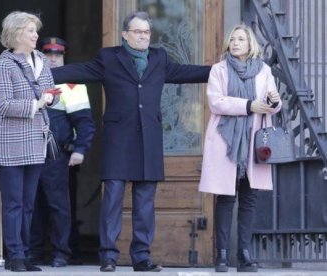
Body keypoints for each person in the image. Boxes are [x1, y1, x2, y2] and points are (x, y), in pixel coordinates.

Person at [51, 11, 211, 272]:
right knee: (113, 198)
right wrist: (39, 72)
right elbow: (79, 71)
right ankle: (109, 257)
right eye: (138, 32)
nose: (143, 36)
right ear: (125, 34)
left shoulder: (159, 58)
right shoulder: (109, 57)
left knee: (145, 201)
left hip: (149, 139)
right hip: (118, 140)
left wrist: (220, 70)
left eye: (147, 32)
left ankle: (141, 257)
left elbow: (186, 72)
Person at [198, 24, 282, 273]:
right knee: (225, 198)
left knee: (249, 199)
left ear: (250, 44)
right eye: (232, 39)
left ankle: (244, 254)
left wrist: (272, 103)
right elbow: (216, 101)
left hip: (254, 141)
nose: (235, 43)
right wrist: (248, 105)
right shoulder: (219, 69)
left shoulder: (264, 70)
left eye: (241, 39)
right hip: (227, 141)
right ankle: (222, 254)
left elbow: (273, 101)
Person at [0, 11, 59, 272]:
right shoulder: (3, 64)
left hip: (36, 139)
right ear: (17, 33)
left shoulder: (41, 59)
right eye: (31, 30)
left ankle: (25, 253)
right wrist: (38, 102)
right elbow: (4, 104)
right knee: (13, 203)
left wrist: (52, 98)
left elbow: (51, 93)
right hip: (10, 141)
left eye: (36, 30)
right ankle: (14, 255)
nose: (36, 35)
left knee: (29, 203)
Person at [29, 37, 95, 267]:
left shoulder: (72, 86)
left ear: (64, 57)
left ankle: (60, 253)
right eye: (49, 54)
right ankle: (33, 252)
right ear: (41, 56)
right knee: (32, 205)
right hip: (29, 153)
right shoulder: (30, 82)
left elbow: (85, 123)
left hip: (56, 156)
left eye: (58, 54)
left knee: (59, 206)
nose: (54, 59)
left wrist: (80, 150)